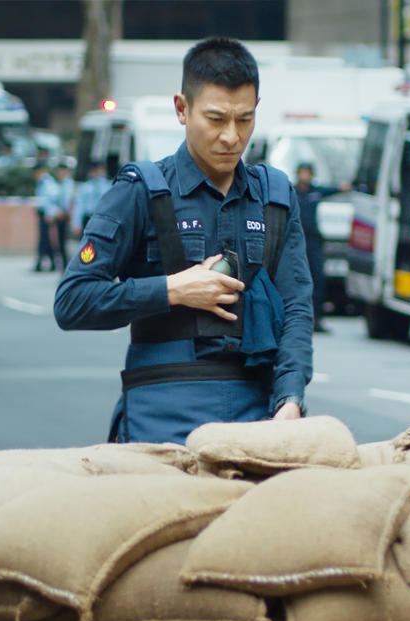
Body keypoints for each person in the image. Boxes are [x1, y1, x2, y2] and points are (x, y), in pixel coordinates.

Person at [54, 37, 313, 445]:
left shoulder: (275, 197)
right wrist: (173, 290)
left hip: (259, 413)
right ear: (182, 109)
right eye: (216, 118)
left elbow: (296, 308)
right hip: (161, 411)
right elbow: (72, 302)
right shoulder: (140, 191)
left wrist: (290, 399)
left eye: (244, 119)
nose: (231, 136)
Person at [294, 162, 350, 333]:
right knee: (296, 280)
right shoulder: (291, 191)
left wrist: (345, 187)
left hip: (313, 241)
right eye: (302, 173)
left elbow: (334, 189)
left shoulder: (315, 191)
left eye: (307, 173)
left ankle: (316, 320)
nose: (305, 176)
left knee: (317, 279)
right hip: (296, 241)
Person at [32, 162, 60, 272]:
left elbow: (50, 200)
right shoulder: (41, 182)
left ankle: (40, 263)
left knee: (44, 239)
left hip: (46, 214)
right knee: (45, 239)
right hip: (43, 213)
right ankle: (51, 263)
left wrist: (49, 214)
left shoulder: (47, 183)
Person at [71, 161, 111, 236]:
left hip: (103, 220)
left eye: (99, 170)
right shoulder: (85, 187)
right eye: (94, 170)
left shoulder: (109, 186)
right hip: (88, 219)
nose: (97, 173)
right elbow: (79, 206)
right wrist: (76, 223)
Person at [53, 162, 75, 271]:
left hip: (67, 218)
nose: (59, 173)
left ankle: (69, 270)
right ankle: (64, 269)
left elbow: (70, 202)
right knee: (62, 245)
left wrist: (65, 213)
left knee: (68, 246)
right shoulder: (60, 185)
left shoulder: (69, 185)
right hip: (61, 217)